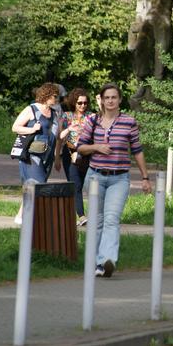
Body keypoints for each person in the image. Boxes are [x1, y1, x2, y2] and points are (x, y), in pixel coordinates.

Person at [76, 83, 152, 278]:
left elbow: (137, 150)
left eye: (114, 97)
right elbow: (80, 148)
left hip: (119, 178)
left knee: (111, 219)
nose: (110, 101)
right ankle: (94, 262)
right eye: (107, 97)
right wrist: (97, 147)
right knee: (97, 221)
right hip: (95, 177)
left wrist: (145, 177)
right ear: (101, 100)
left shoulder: (129, 122)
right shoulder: (92, 121)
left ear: (119, 100)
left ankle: (106, 261)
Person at [11, 82, 60, 224]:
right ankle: (35, 219)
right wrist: (32, 129)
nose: (57, 99)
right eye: (55, 96)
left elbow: (57, 136)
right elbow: (15, 127)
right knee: (38, 186)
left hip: (47, 156)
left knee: (34, 187)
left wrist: (69, 131)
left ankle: (20, 217)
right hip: (32, 155)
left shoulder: (54, 113)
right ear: (46, 95)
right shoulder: (31, 109)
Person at [55, 88, 92, 226]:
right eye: (79, 103)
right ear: (73, 103)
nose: (83, 106)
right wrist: (57, 157)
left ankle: (73, 213)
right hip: (69, 154)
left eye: (85, 103)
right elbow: (59, 138)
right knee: (75, 185)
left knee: (84, 184)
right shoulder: (66, 116)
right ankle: (81, 216)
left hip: (87, 154)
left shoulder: (91, 117)